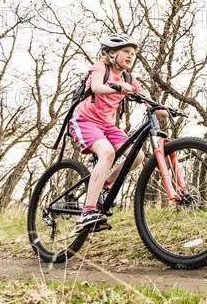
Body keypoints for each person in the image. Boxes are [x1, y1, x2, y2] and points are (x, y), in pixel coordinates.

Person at [68, 32, 163, 234]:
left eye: (133, 53)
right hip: (84, 120)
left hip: (107, 126)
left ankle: (105, 182)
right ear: (111, 53)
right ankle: (86, 213)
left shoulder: (129, 77)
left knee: (137, 156)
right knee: (107, 153)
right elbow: (97, 87)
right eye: (126, 51)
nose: (130, 56)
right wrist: (118, 87)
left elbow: (143, 94)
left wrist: (160, 107)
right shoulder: (101, 67)